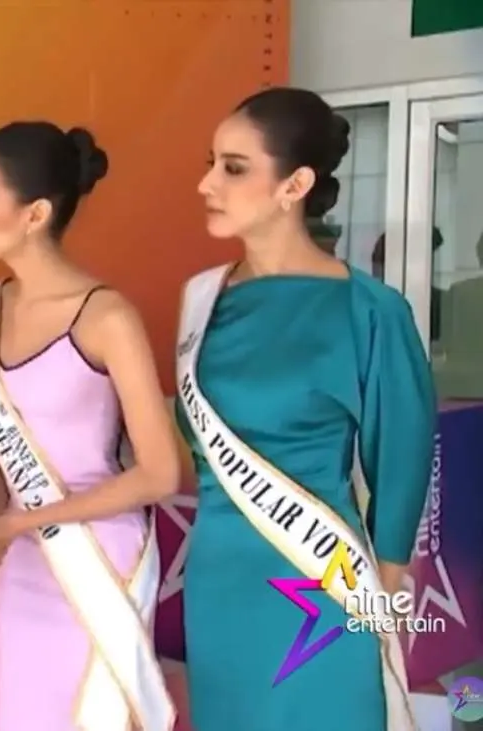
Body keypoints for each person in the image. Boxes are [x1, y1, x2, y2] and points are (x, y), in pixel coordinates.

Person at [177, 87, 435, 730]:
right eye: (211, 163)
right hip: (217, 587)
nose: (208, 183)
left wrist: (380, 604)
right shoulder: (201, 301)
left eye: (234, 168)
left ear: (294, 185)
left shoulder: (370, 310)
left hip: (321, 583)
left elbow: (400, 469)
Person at [0, 121, 179, 731]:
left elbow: (160, 473)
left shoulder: (107, 318)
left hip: (99, 559)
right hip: (24, 564)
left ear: (35, 214)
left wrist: (18, 522)